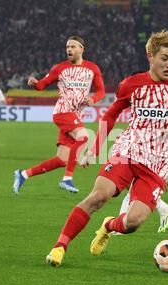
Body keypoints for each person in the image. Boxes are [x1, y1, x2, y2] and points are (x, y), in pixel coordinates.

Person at [45, 30, 168, 267]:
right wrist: (95, 147)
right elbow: (111, 114)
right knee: (98, 196)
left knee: (132, 222)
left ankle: (108, 226)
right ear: (150, 56)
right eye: (165, 58)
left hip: (158, 164)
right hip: (128, 152)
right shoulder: (132, 84)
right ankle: (60, 247)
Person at [13, 36, 105, 194]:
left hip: (75, 115)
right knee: (83, 137)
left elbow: (101, 91)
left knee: (62, 159)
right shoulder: (60, 68)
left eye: (73, 46)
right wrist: (34, 83)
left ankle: (23, 174)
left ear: (82, 49)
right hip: (63, 111)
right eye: (68, 46)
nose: (69, 49)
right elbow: (42, 85)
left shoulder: (93, 68)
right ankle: (67, 179)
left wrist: (93, 99)